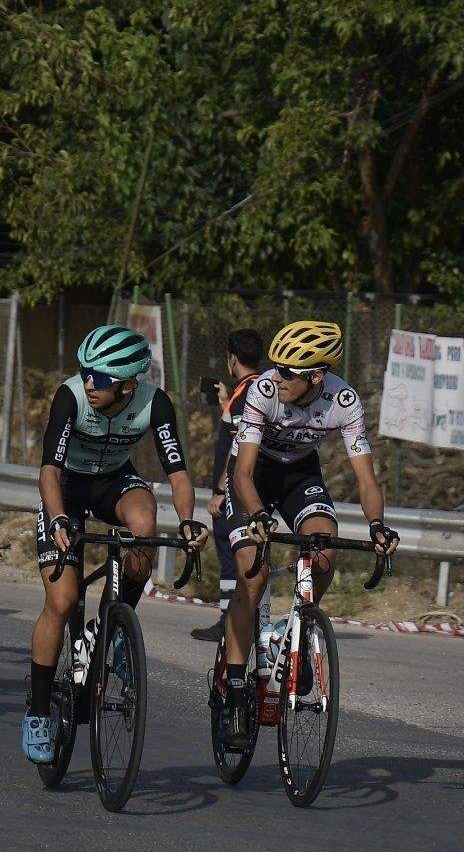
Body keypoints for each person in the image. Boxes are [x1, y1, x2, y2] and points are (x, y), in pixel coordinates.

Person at [27, 324, 205, 762]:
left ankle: (112, 627)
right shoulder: (71, 396)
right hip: (66, 488)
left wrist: (187, 522)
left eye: (101, 379)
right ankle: (36, 711)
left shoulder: (154, 402)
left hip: (113, 482)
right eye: (86, 372)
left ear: (128, 385)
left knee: (144, 523)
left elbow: (177, 472)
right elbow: (49, 470)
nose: (90, 383)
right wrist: (58, 519)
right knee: (63, 600)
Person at [214, 321, 397, 744]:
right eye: (275, 367)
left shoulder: (344, 400)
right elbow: (240, 471)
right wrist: (257, 513)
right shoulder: (263, 390)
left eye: (288, 372)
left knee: (324, 549)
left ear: (316, 376)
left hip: (299, 476)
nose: (276, 377)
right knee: (253, 577)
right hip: (252, 477)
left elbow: (366, 480)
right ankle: (237, 687)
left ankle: (300, 629)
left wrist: (376, 525)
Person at [192, 328, 265, 643]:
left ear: (232, 358)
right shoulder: (251, 390)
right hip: (243, 484)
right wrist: (225, 401)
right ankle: (236, 616)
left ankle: (229, 619)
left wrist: (220, 491)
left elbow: (237, 442)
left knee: (229, 547)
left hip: (235, 487)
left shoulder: (245, 394)